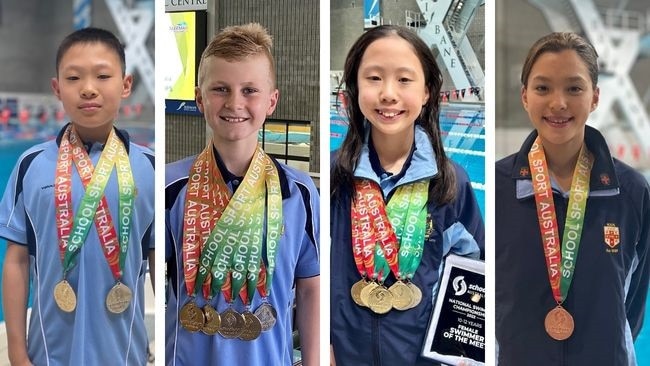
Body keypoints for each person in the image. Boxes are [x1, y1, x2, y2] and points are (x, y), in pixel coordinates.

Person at [165, 23, 320, 365]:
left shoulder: (299, 193)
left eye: (250, 90)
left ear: (271, 101)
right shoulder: (170, 188)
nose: (235, 102)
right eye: (221, 88)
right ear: (199, 99)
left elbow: (310, 289)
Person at [330, 25, 484, 365]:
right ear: (354, 88)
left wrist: (461, 350)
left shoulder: (451, 184)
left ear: (427, 91)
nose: (388, 94)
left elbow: (473, 270)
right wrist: (319, 343)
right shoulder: (333, 180)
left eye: (404, 79)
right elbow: (309, 274)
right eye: (373, 78)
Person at [0, 27, 155, 365]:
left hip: (124, 352)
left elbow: (159, 262)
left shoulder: (149, 168)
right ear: (57, 88)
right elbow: (16, 260)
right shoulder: (31, 165)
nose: (88, 89)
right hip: (49, 353)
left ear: (126, 84)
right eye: (73, 78)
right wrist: (16, 350)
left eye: (103, 75)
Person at [495, 32, 650, 365]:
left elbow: (634, 300)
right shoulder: (499, 188)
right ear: (524, 96)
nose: (558, 103)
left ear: (595, 97)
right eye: (542, 88)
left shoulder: (632, 192)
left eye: (574, 88)